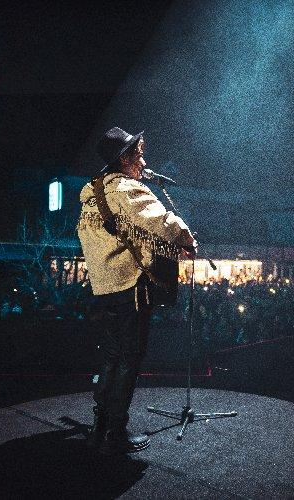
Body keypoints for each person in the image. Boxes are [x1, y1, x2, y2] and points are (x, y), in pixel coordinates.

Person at [77, 127, 196, 454]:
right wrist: (187, 240)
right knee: (130, 357)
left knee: (112, 355)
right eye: (139, 155)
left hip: (102, 289)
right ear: (124, 160)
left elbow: (113, 236)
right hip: (129, 287)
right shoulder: (126, 189)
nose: (143, 161)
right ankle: (116, 431)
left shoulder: (93, 193)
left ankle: (100, 426)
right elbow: (162, 222)